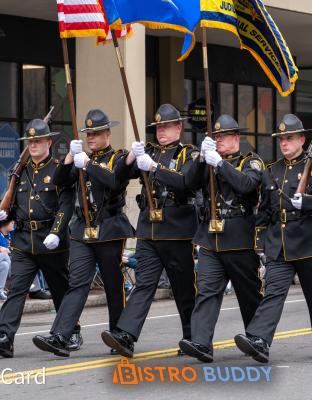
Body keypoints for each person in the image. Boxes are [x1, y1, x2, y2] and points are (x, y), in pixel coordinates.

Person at [234, 114, 312, 363]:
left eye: (289, 138)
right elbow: (265, 210)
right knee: (273, 293)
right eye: (281, 139)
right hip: (279, 242)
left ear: (302, 139)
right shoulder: (271, 170)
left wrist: (309, 201)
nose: (284, 143)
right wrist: (260, 242)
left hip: (310, 242)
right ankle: (259, 339)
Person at [32, 109, 135, 357]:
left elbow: (115, 181)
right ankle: (61, 335)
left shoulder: (117, 158)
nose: (91, 137)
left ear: (108, 133)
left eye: (96, 133)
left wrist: (88, 164)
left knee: (113, 283)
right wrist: (69, 157)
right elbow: (59, 181)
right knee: (77, 283)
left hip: (109, 229)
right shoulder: (80, 158)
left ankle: (120, 336)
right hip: (81, 230)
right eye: (89, 133)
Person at [101, 104, 197, 357]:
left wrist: (154, 168)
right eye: (158, 128)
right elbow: (117, 178)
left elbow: (186, 184)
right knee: (144, 284)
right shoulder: (149, 151)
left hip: (177, 230)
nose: (161, 131)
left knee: (183, 288)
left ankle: (193, 336)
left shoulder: (189, 154)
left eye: (166, 126)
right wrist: (132, 157)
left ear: (178, 127)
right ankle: (126, 335)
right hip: (149, 230)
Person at [178, 114, 264, 362]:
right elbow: (188, 184)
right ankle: (201, 342)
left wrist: (222, 165)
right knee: (206, 291)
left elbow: (247, 185)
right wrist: (202, 160)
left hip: (239, 237)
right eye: (216, 137)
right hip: (210, 237)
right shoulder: (208, 161)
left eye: (223, 136)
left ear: (236, 138)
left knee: (248, 293)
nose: (219, 140)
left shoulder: (251, 161)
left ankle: (257, 338)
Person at [0, 119, 76, 358]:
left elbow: (66, 206)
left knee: (60, 290)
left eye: (38, 141)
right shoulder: (20, 171)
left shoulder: (58, 169)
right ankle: (4, 337)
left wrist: (56, 231)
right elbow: (16, 207)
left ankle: (70, 331)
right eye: (30, 141)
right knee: (17, 290)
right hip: (24, 241)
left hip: (50, 241)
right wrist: (5, 215)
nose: (33, 145)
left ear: (48, 143)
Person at [0, 219, 13, 301]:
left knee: (5, 265)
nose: (13, 224)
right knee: (5, 256)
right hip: (5, 256)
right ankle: (15, 281)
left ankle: (0, 290)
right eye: (11, 222)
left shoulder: (12, 233)